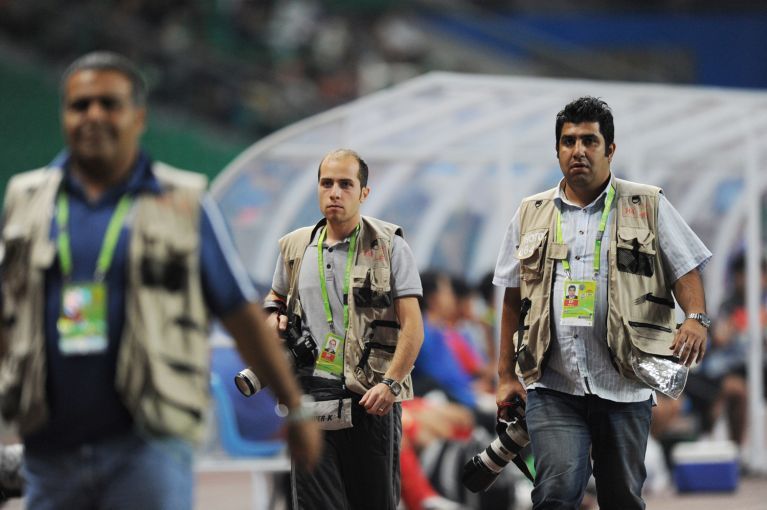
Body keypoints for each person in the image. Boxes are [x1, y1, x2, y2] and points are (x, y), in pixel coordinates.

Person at [0, 51, 321, 510]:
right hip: (50, 448)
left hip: (148, 445)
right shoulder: (27, 201)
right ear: (64, 116)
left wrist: (294, 406)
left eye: (110, 104)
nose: (93, 115)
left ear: (139, 117)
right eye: (80, 105)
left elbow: (242, 317)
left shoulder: (183, 203)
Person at [493, 96, 712, 510]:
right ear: (557, 150)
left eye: (589, 141)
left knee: (622, 498)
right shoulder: (529, 213)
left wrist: (696, 318)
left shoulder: (647, 204)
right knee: (556, 492)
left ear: (610, 149)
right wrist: (505, 376)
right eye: (568, 141)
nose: (578, 151)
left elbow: (686, 270)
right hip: (553, 385)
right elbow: (511, 296)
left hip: (625, 386)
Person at [264, 148, 424, 510]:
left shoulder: (390, 245)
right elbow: (275, 295)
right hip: (311, 396)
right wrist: (272, 313)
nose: (335, 192)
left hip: (371, 397)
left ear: (364, 192)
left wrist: (391, 384)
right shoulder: (295, 246)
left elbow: (413, 327)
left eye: (345, 184)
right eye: (327, 183)